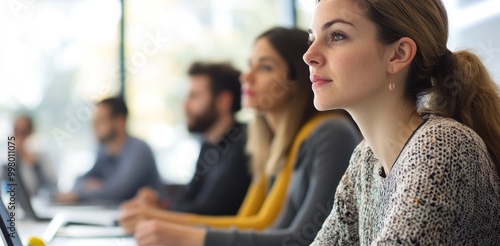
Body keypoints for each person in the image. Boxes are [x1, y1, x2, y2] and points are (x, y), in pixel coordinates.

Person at [303, 0, 500, 245]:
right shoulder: (366, 159)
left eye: (336, 36)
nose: (309, 55)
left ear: (398, 54)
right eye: (312, 38)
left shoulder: (444, 146)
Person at [122, 27, 361, 246]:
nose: (246, 77)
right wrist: (166, 222)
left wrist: (181, 232)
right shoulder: (272, 144)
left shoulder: (330, 132)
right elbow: (252, 221)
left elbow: (299, 239)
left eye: (265, 67)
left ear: (297, 80)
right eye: (250, 65)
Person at [123, 62, 251, 216]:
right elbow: (187, 200)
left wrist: (157, 212)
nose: (185, 104)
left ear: (223, 101)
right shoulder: (210, 144)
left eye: (194, 96)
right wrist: (160, 204)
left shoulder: (242, 144)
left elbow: (209, 212)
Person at [54, 97, 161, 203]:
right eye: (93, 121)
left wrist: (82, 194)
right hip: (113, 214)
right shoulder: (103, 150)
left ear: (120, 121)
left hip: (147, 216)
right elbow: (81, 180)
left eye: (100, 120)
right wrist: (89, 188)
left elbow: (118, 191)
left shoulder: (138, 149)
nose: (94, 126)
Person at [6, 115, 56, 196]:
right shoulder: (11, 158)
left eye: (23, 132)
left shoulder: (41, 155)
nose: (19, 137)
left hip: (40, 203)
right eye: (16, 131)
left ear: (31, 132)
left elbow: (52, 185)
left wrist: (34, 165)